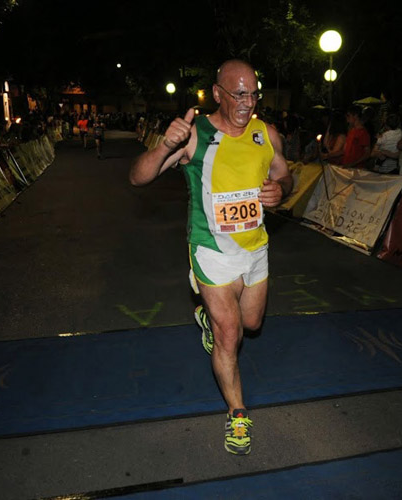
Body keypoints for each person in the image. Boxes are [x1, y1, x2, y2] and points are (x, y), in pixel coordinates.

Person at [129, 59, 292, 456]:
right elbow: (138, 176)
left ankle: (206, 317)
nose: (248, 102)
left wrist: (280, 191)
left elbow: (285, 174)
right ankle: (238, 413)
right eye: (239, 93)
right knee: (229, 334)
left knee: (251, 324)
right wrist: (166, 144)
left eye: (254, 93)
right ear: (218, 93)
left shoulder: (266, 133)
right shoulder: (194, 135)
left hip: (255, 249)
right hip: (211, 251)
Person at [340, 105, 372, 169]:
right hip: (347, 167)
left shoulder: (363, 133)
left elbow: (367, 154)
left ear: (356, 116)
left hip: (356, 169)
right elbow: (345, 150)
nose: (346, 118)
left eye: (348, 115)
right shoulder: (351, 130)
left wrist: (352, 164)